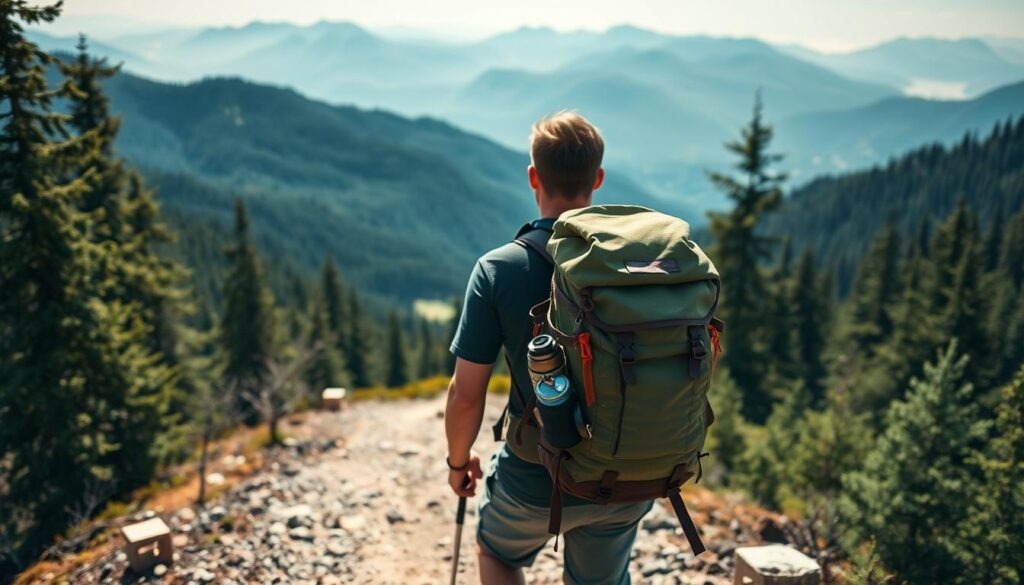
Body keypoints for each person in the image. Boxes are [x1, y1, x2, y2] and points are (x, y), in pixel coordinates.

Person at [444, 111, 653, 585]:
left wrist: (459, 463)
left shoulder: (500, 269)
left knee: (497, 552)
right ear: (597, 179)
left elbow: (466, 394)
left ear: (534, 177)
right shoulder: (638, 264)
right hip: (625, 479)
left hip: (535, 482)